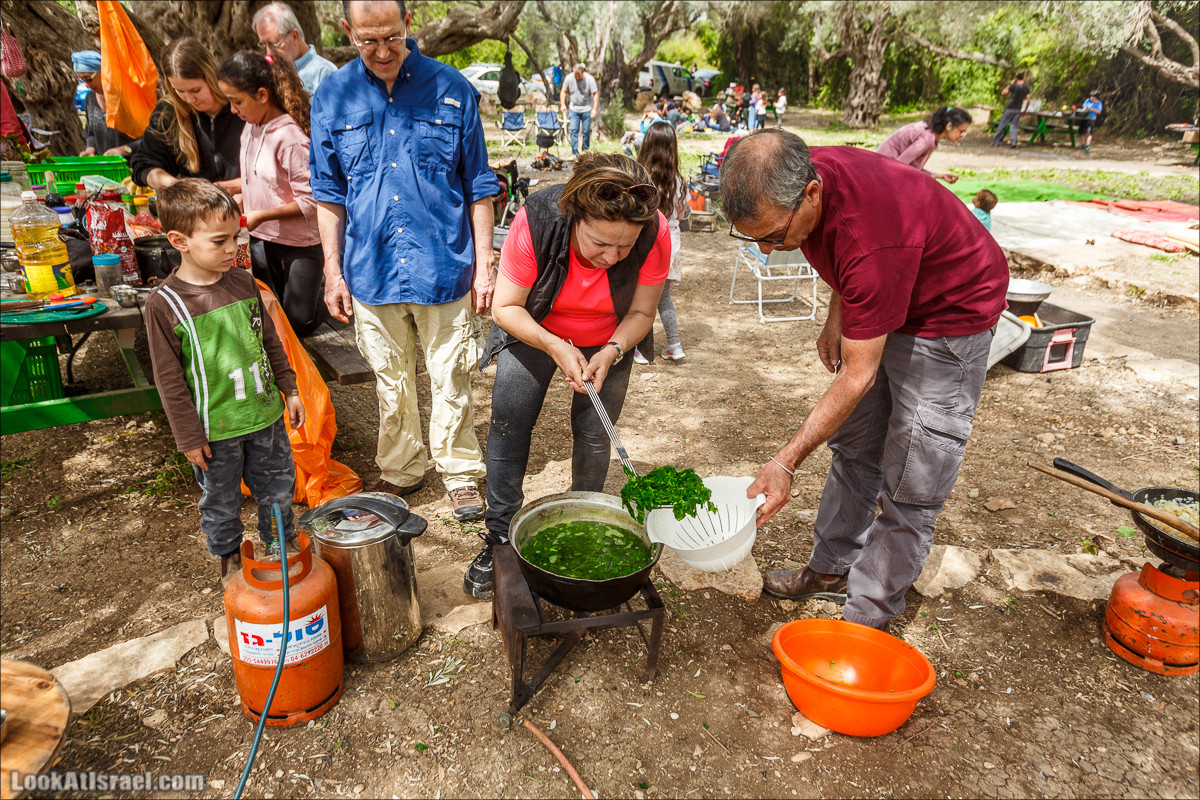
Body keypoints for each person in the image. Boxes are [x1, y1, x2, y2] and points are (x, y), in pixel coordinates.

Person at [718, 130, 1008, 631]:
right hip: (891, 284)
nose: (766, 252)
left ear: (811, 193)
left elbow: (857, 373)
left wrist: (785, 462)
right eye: (752, 238)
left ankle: (864, 620)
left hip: (948, 314)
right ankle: (830, 572)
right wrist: (838, 316)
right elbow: (844, 261)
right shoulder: (801, 171)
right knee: (855, 447)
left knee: (911, 481)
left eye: (773, 236)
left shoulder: (871, 241)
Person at [310, 0, 498, 521]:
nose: (382, 50)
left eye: (391, 37)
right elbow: (328, 192)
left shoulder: (452, 88)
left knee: (451, 376)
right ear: (348, 31)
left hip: (445, 265)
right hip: (371, 270)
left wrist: (485, 263)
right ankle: (402, 469)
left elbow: (479, 184)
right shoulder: (332, 95)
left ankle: (459, 472)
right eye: (367, 40)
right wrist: (332, 270)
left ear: (408, 24)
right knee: (390, 380)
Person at [476, 152, 670, 598]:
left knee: (595, 434)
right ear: (575, 214)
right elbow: (506, 307)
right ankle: (500, 537)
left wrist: (613, 351)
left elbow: (642, 311)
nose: (611, 256)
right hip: (535, 328)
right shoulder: (539, 218)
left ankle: (586, 518)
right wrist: (555, 344)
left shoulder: (655, 233)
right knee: (509, 426)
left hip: (610, 338)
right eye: (600, 242)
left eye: (624, 247)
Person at [144, 179, 304, 587]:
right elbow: (169, 380)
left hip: (266, 418)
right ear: (179, 240)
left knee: (278, 490)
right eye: (220, 241)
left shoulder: (244, 282)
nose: (234, 248)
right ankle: (229, 557)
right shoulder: (165, 304)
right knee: (220, 501)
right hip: (215, 432)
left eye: (237, 236)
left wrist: (290, 389)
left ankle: (279, 547)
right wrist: (187, 435)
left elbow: (269, 340)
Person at [217, 50, 324, 336]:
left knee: (298, 321)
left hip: (300, 245)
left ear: (263, 95)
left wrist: (262, 214)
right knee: (273, 313)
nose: (232, 109)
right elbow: (262, 180)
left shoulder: (289, 138)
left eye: (237, 101)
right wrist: (226, 187)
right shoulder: (251, 127)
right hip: (263, 241)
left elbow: (311, 200)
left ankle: (324, 297)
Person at [130, 37, 244, 193]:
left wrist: (238, 188)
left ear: (211, 76)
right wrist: (179, 187)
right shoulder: (168, 113)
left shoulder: (243, 105)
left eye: (195, 90)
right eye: (180, 91)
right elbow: (143, 165)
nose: (190, 99)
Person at [634, 122, 689, 363]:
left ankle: (640, 349)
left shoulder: (641, 178)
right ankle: (674, 345)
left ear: (647, 146)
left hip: (647, 242)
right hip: (671, 243)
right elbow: (682, 212)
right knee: (663, 298)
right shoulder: (678, 181)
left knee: (639, 298)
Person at [252, 2, 338, 95]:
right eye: (264, 45)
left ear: (294, 36)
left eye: (273, 44)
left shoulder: (324, 72)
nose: (269, 53)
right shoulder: (269, 72)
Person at [876, 106, 972, 184]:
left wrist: (939, 175)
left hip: (885, 170)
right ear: (949, 126)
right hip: (880, 172)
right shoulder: (927, 138)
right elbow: (899, 166)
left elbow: (912, 167)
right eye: (961, 131)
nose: (962, 136)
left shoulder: (931, 136)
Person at [72, 50, 138, 158]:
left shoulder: (129, 98)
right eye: (82, 80)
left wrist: (124, 150)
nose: (87, 85)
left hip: (135, 167)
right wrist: (90, 149)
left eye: (88, 79)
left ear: (104, 72)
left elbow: (152, 137)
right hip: (107, 169)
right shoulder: (90, 99)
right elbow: (92, 133)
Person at [561, 63, 599, 156]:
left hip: (587, 108)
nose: (576, 77)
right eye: (575, 75)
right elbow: (563, 91)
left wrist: (594, 109)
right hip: (574, 109)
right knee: (574, 130)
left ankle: (585, 152)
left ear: (583, 72)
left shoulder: (590, 80)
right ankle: (575, 153)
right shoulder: (569, 78)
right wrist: (563, 104)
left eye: (578, 75)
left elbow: (595, 94)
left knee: (585, 131)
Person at [991, 73, 1030, 148]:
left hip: (1010, 108)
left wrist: (1010, 84)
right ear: (1023, 79)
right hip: (1018, 109)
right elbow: (1028, 99)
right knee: (1014, 126)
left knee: (1002, 125)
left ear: (1016, 79)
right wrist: (1025, 110)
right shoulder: (1026, 88)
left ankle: (995, 141)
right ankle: (1013, 142)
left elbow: (1003, 92)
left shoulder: (1014, 87)